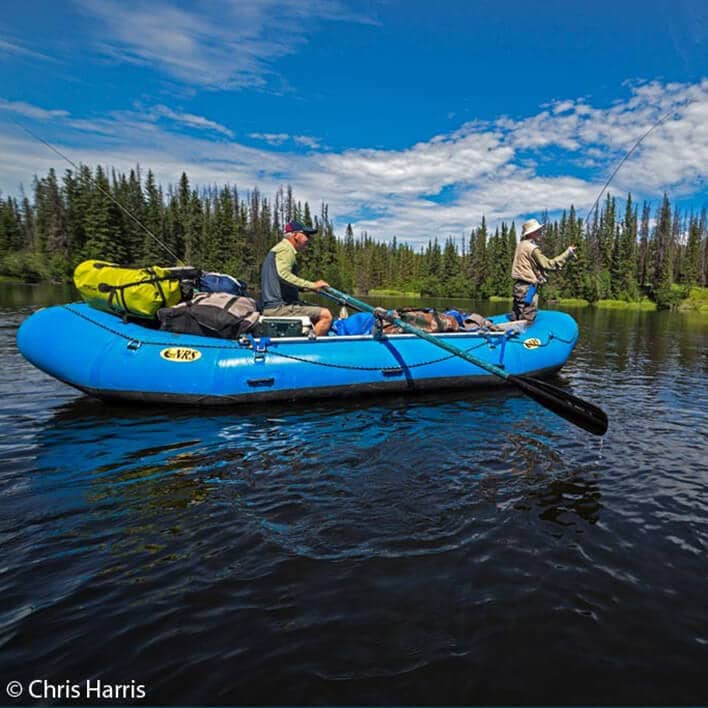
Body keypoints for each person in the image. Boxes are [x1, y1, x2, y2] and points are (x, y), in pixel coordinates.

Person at [260, 220, 333, 336]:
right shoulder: (285, 250)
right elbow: (283, 275)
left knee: (316, 310)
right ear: (295, 235)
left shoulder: (279, 249)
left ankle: (310, 334)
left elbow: (282, 281)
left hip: (275, 306)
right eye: (306, 235)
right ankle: (310, 348)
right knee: (326, 315)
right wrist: (312, 285)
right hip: (279, 308)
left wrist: (306, 289)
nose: (308, 239)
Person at [511, 218, 576, 323]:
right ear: (531, 233)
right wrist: (568, 253)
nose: (540, 232)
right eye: (537, 231)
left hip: (518, 287)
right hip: (527, 290)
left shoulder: (520, 245)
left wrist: (539, 275)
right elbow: (549, 264)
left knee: (516, 318)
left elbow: (527, 266)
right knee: (527, 320)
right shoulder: (532, 248)